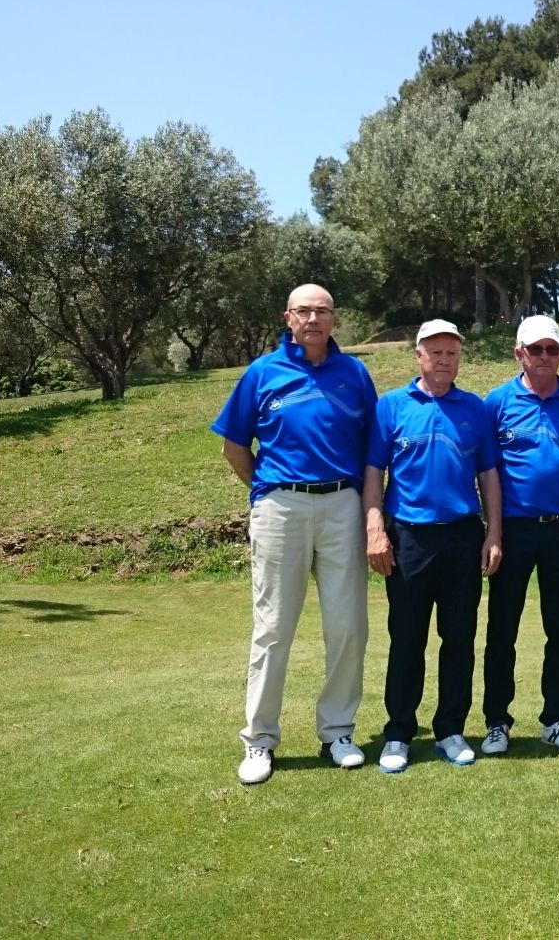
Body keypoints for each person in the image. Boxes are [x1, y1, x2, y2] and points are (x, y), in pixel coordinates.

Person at [212, 284, 376, 786]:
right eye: (303, 311)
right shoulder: (262, 372)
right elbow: (234, 447)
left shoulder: (354, 374)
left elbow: (373, 448)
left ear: (334, 318)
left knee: (348, 626)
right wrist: (268, 492)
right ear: (288, 318)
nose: (313, 319)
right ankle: (260, 739)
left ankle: (337, 732)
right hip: (281, 507)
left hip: (343, 504)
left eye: (322, 311)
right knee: (274, 628)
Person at [364, 319, 503, 774]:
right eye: (436, 352)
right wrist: (375, 529)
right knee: (407, 637)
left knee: (459, 638)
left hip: (462, 535)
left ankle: (450, 730)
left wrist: (494, 533)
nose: (445, 360)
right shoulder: (392, 405)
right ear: (419, 356)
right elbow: (373, 472)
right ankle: (399, 732)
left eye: (452, 353)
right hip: (408, 537)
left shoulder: (475, 408)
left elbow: (488, 475)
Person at [480, 316, 559, 757]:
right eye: (535, 349)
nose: (544, 357)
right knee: (502, 629)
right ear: (519, 353)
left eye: (552, 349)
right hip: (512, 531)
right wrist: (494, 530)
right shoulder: (497, 402)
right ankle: (497, 721)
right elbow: (486, 471)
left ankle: (556, 719)